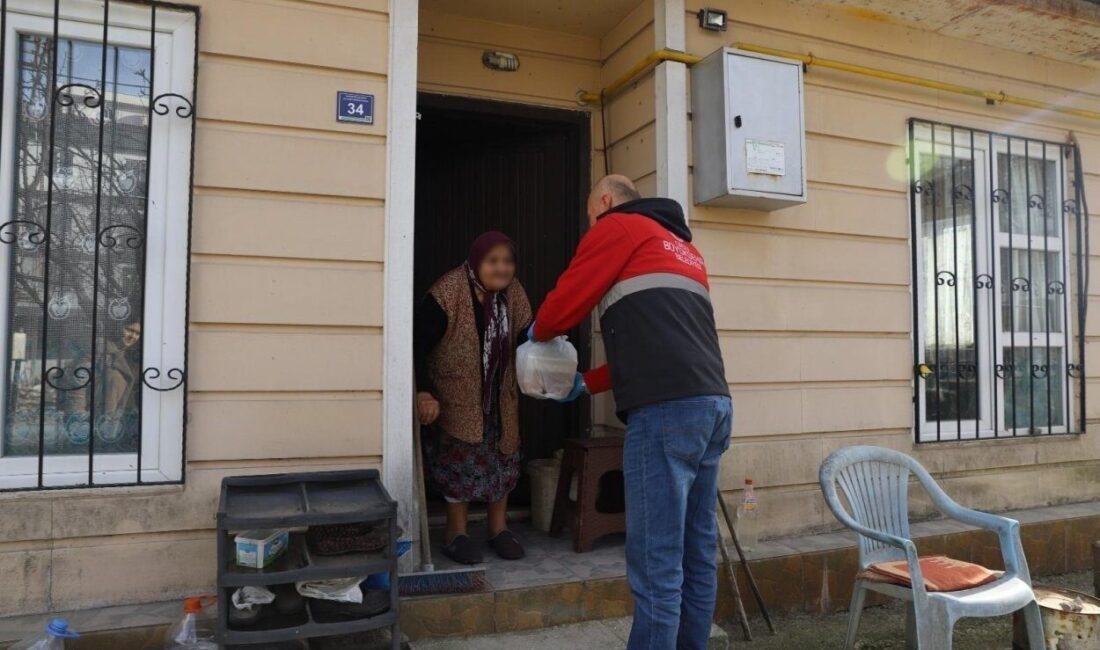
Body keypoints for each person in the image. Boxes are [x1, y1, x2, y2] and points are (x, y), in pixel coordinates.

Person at [530, 175, 731, 649]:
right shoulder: (685, 250)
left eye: (588, 217)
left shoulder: (617, 227)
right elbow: (660, 347)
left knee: (657, 560)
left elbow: (563, 306)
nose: (589, 227)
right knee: (696, 553)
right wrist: (587, 383)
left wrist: (535, 336)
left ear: (603, 201)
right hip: (713, 405)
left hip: (666, 414)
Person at [414, 231, 532, 565]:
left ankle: (498, 530)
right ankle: (456, 534)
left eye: (507, 261)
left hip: (500, 396)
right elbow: (417, 344)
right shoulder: (448, 292)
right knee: (459, 466)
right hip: (456, 398)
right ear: (477, 261)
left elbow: (527, 333)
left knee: (503, 460)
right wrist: (423, 391)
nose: (502, 269)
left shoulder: (515, 293)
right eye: (493, 261)